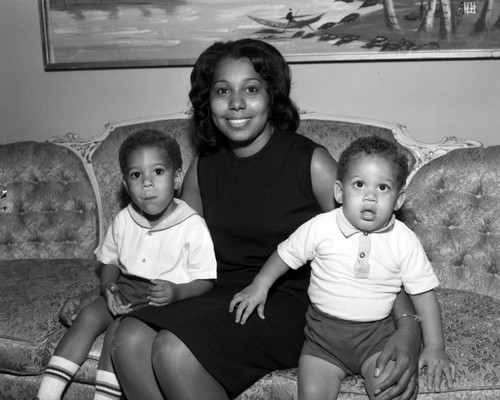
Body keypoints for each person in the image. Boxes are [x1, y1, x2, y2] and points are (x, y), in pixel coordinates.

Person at [59, 39, 421, 400]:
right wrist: (99, 291)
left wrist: (406, 327)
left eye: (250, 89)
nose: (236, 103)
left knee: (172, 351)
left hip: (287, 302)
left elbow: (380, 247)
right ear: (208, 102)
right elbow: (167, 249)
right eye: (222, 91)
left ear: (272, 96)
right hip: (216, 293)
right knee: (128, 337)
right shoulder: (203, 168)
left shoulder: (311, 163)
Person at [230, 135, 456, 399]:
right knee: (312, 394)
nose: (370, 196)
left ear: (398, 200)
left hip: (377, 340)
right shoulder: (320, 227)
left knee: (391, 390)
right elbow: (285, 255)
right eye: (359, 184)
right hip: (322, 343)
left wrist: (435, 346)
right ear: (339, 191)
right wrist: (260, 285)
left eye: (383, 188)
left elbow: (423, 294)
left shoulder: (404, 240)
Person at [37, 129, 216, 400]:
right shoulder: (123, 219)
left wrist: (177, 292)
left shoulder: (192, 226)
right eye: (136, 175)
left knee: (117, 335)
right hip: (123, 290)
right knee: (87, 316)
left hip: (162, 301)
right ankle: (46, 394)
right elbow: (109, 261)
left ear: (177, 178)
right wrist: (108, 286)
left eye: (157, 172)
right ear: (125, 182)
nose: (146, 183)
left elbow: (206, 280)